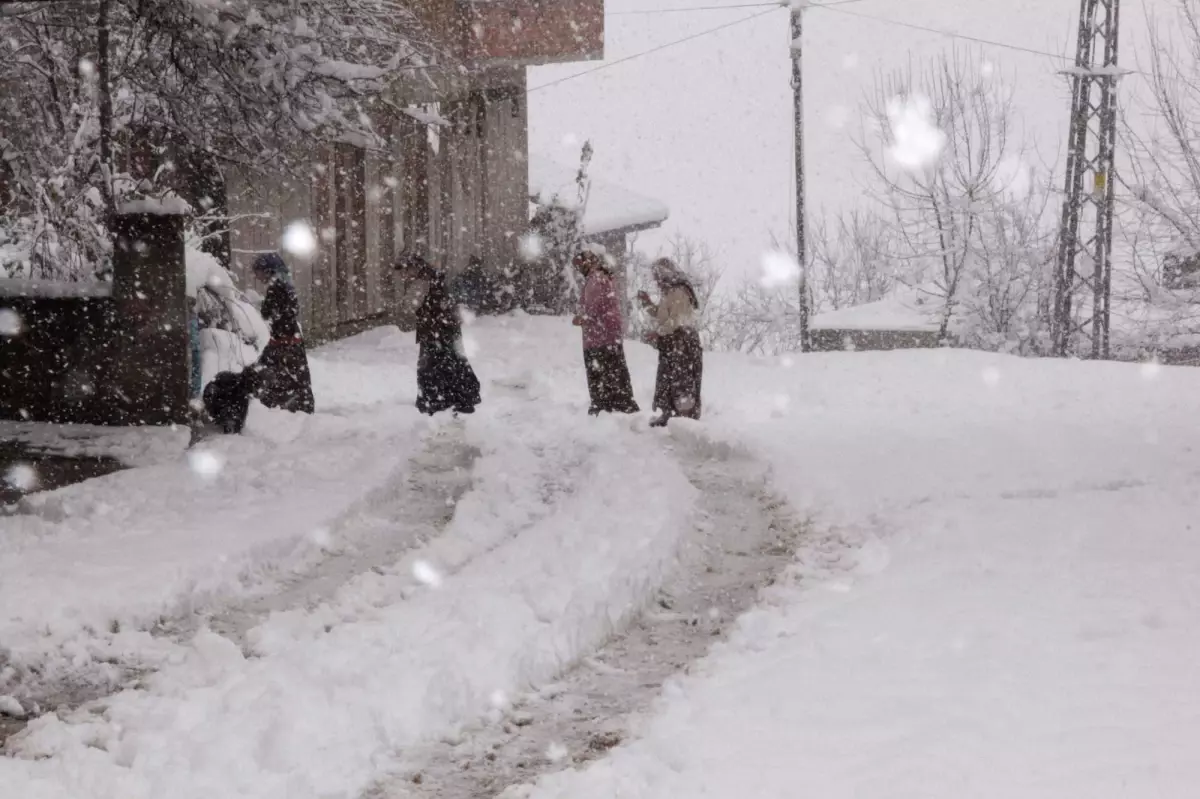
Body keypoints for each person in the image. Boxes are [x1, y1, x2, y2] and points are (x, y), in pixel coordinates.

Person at [398, 253, 481, 416]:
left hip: (438, 332)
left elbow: (411, 305)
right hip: (443, 330)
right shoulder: (433, 278)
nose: (403, 276)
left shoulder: (424, 282)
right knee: (450, 364)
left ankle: (438, 401)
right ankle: (452, 399)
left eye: (405, 272)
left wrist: (430, 319)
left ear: (413, 269)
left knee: (435, 367)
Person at [574, 249, 639, 416]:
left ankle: (604, 407)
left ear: (588, 262)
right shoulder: (602, 277)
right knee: (615, 372)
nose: (578, 268)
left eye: (579, 263)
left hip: (599, 337)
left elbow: (592, 308)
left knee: (601, 373)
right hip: (608, 336)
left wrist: (582, 318)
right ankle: (620, 405)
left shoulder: (595, 279)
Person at [639, 257, 703, 427]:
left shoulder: (679, 291)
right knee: (669, 380)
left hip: (683, 343)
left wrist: (657, 333)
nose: (656, 281)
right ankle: (669, 414)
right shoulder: (669, 293)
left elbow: (676, 320)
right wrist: (647, 304)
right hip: (672, 344)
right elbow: (663, 316)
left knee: (682, 381)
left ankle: (684, 418)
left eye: (657, 276)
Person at [251, 252, 315, 414]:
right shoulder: (285, 284)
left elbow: (269, 312)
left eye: (258, 272)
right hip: (290, 338)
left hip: (284, 341)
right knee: (295, 375)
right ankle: (300, 403)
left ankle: (283, 406)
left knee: (275, 372)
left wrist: (263, 306)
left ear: (267, 270)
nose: (256, 277)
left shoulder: (276, 287)